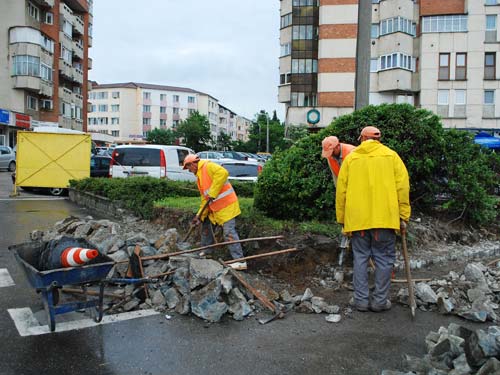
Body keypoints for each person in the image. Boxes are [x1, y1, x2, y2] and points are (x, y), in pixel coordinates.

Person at [335, 126, 410, 312]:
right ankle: (379, 302)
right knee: (384, 260)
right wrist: (403, 215)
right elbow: (402, 187)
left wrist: (342, 219)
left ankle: (360, 301)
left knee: (360, 258)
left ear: (361, 139)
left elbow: (341, 192)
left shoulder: (351, 158)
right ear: (379, 139)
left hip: (358, 221)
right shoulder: (392, 156)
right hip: (385, 220)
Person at [183, 154, 247, 270]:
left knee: (229, 232)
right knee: (205, 223)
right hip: (216, 209)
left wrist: (213, 192)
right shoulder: (200, 177)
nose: (189, 171)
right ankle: (207, 251)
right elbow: (205, 199)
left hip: (227, 206)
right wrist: (199, 216)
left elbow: (223, 173)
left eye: (188, 168)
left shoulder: (208, 166)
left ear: (192, 164)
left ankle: (240, 261)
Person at [321, 136, 356, 266]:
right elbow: (336, 178)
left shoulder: (352, 153)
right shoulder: (331, 157)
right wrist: (341, 197)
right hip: (346, 191)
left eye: (331, 152)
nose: (329, 155)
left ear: (337, 146)